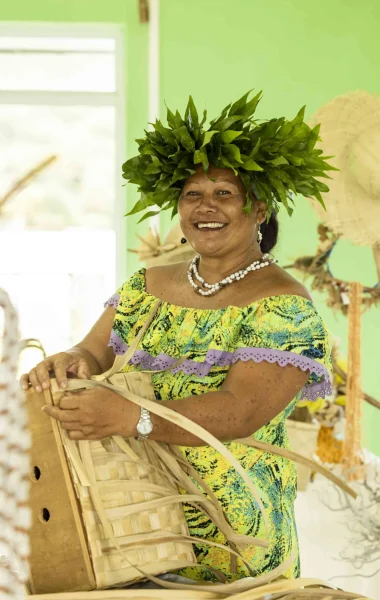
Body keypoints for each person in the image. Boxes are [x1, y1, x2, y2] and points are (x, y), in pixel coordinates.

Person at [21, 92, 333, 582]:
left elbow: (241, 409)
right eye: (193, 195)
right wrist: (69, 360)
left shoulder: (284, 307)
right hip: (130, 523)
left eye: (224, 194)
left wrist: (131, 416)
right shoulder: (147, 284)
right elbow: (92, 352)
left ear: (259, 207)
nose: (206, 208)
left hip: (232, 541)